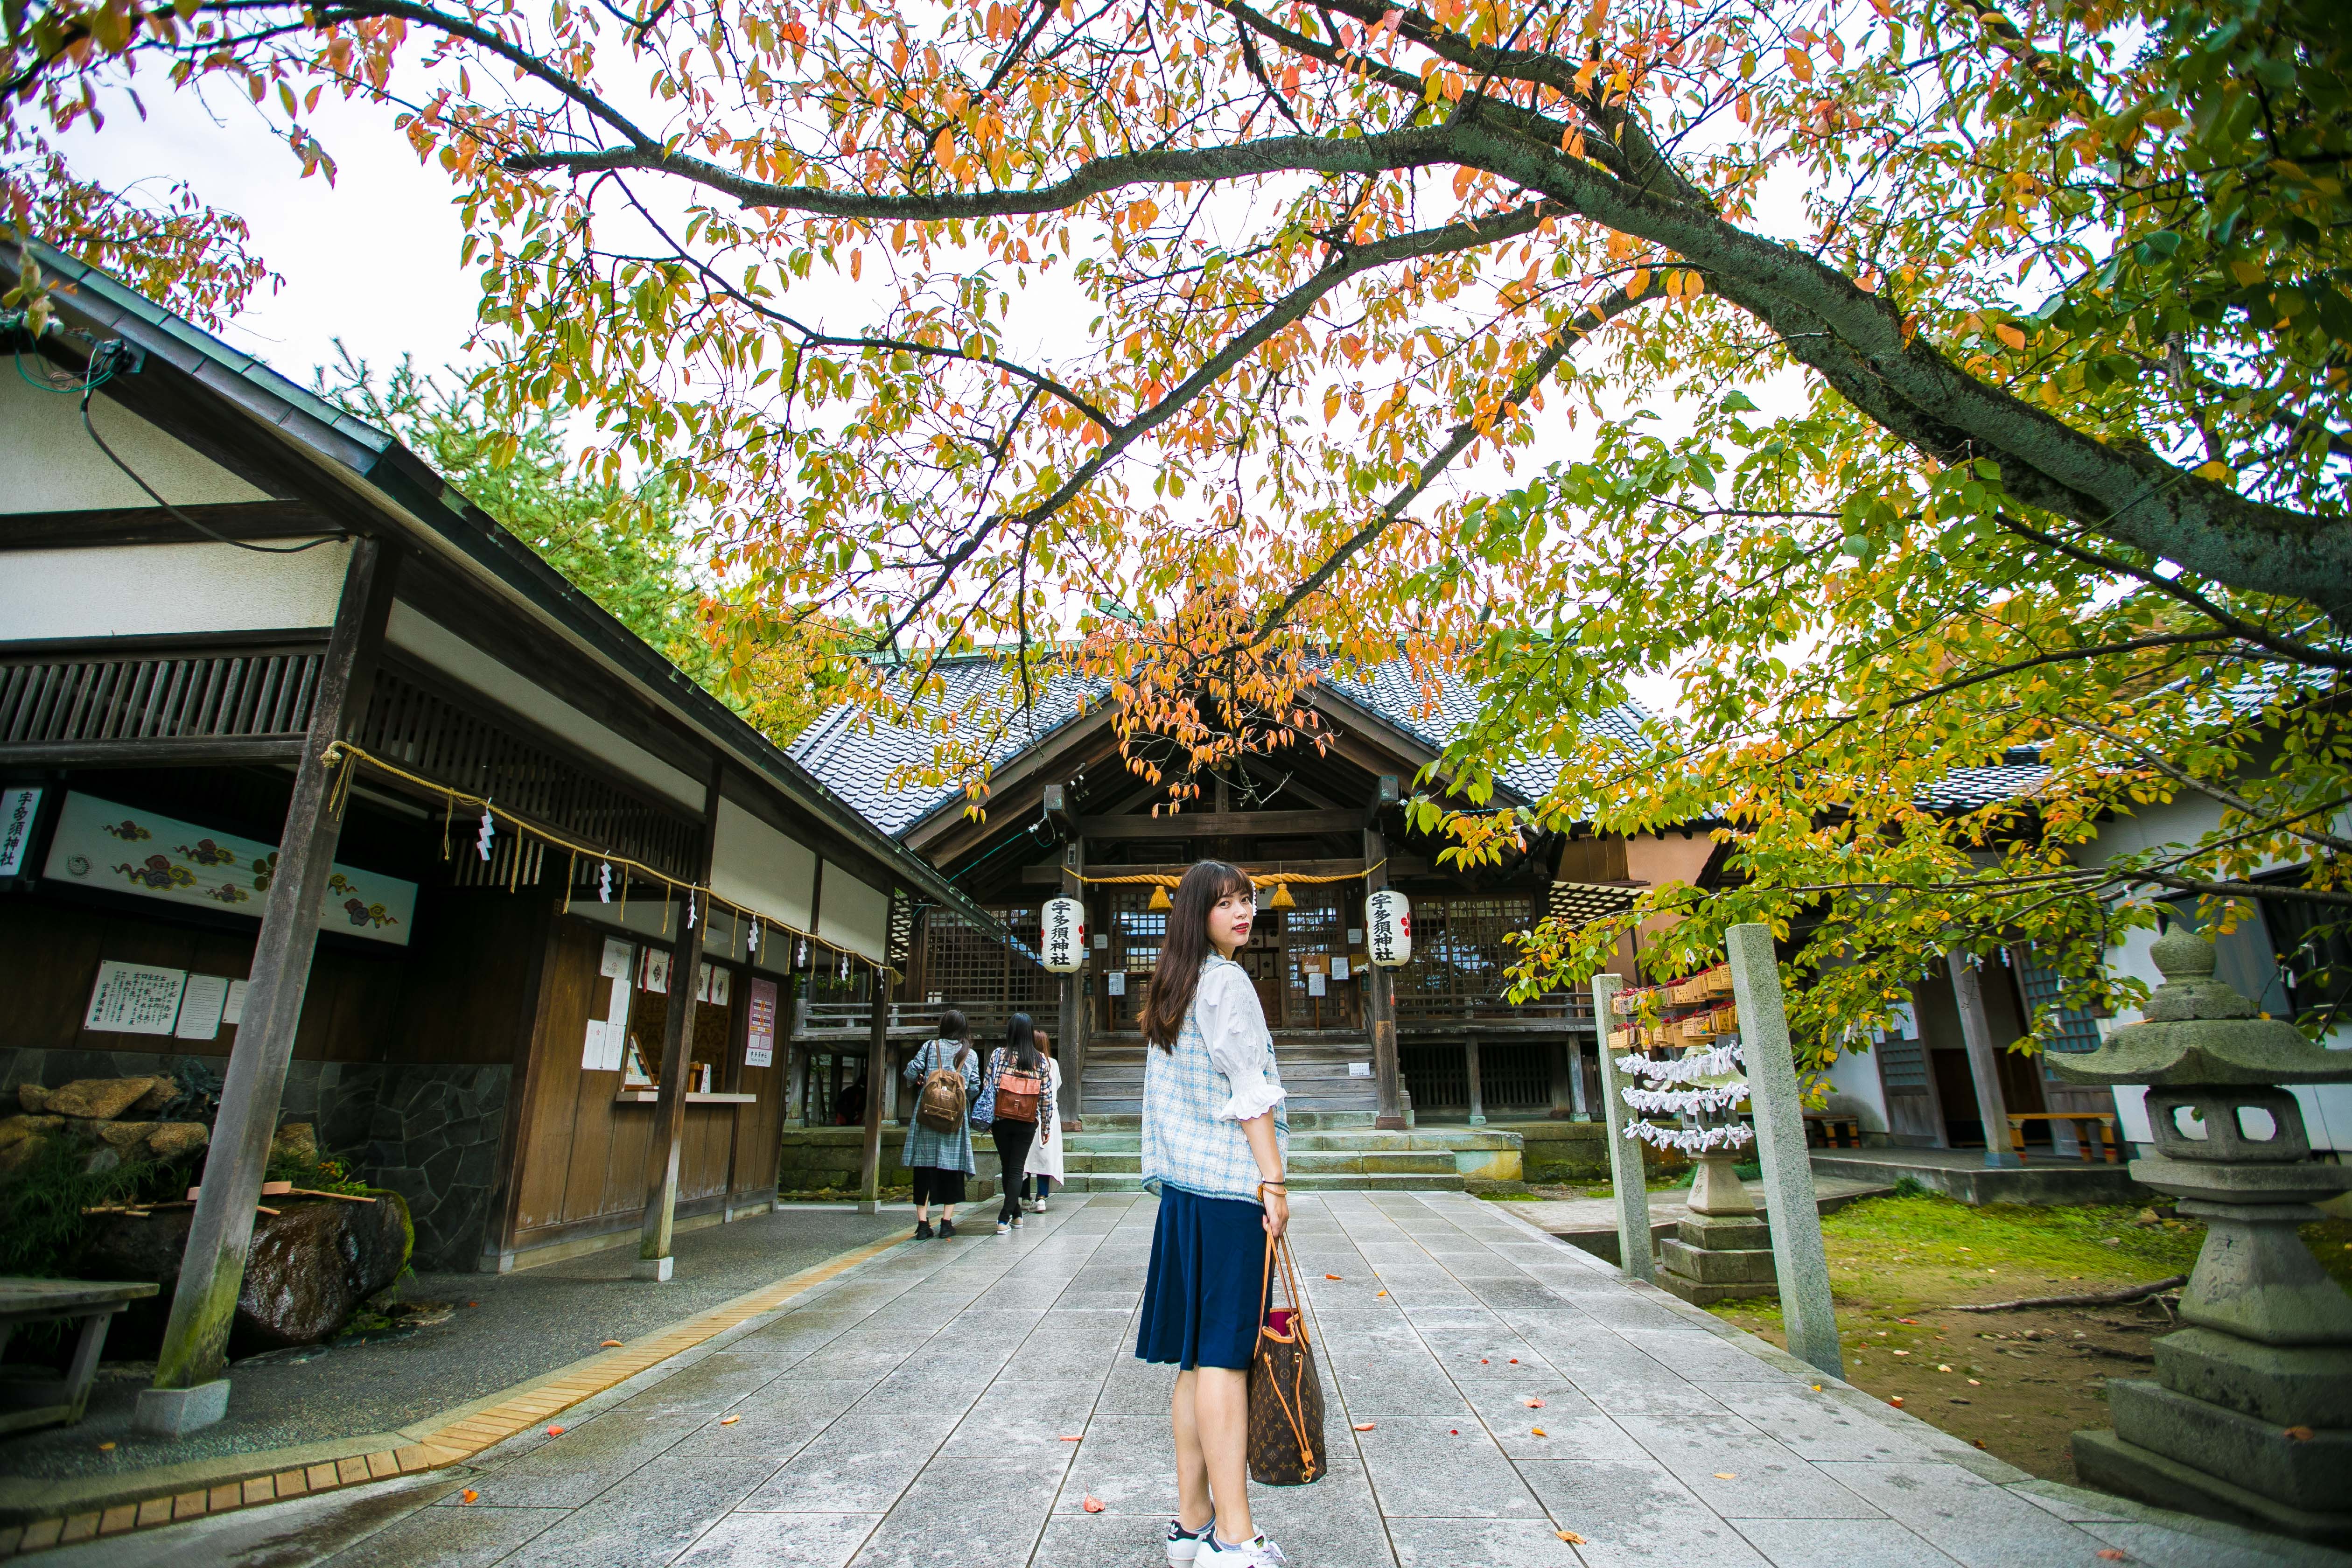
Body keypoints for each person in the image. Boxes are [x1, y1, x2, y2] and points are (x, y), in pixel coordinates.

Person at [1134, 861, 1290, 1568]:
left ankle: (1192, 1521)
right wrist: (1275, 1181)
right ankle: (1234, 1534)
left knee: (1196, 1362)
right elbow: (1249, 1090)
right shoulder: (1226, 982)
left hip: (1183, 1192)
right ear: (1197, 913)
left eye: (1246, 900)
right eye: (1225, 902)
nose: (1242, 912)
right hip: (1229, 1191)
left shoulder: (1176, 984)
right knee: (1226, 1359)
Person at [902, 1008, 982, 1239]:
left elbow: (910, 1072)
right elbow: (975, 1087)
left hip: (927, 1116)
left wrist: (919, 1080)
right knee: (952, 1169)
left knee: (924, 1169)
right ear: (964, 1028)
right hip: (954, 1120)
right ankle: (946, 1222)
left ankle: (923, 1224)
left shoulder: (931, 1047)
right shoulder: (970, 1054)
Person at [971, 1010, 1045, 1234]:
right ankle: (1015, 1215)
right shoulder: (1039, 1060)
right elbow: (1046, 1094)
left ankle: (1006, 1216)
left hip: (1002, 1118)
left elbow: (989, 1085)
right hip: (1027, 1119)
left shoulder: (998, 1055)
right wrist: (1047, 1125)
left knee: (1008, 1167)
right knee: (1016, 1168)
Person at [1023, 1027, 1064, 1212]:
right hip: (1049, 1114)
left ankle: (1024, 1197)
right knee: (1044, 1156)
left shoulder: (1026, 1062)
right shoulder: (1052, 1064)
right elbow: (1057, 1086)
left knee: (1025, 1156)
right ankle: (1041, 1197)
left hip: (1028, 1112)